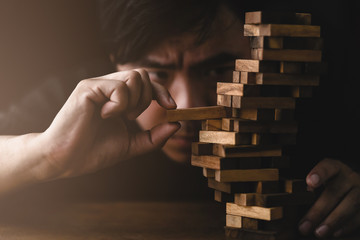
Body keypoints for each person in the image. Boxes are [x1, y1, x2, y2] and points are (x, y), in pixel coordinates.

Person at [0, 0, 358, 239]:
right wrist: (47, 154)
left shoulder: (313, 92)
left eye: (219, 70)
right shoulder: (79, 100)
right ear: (116, 63)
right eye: (157, 74)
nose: (188, 107)